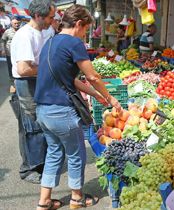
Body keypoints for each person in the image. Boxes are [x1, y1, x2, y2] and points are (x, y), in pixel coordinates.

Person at [34, 4, 122, 209]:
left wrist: (96, 95)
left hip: (43, 110)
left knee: (54, 152)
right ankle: (76, 198)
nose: (85, 35)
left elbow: (69, 79)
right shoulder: (74, 43)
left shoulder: (50, 42)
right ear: (79, 24)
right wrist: (111, 99)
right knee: (76, 154)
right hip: (61, 111)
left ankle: (44, 201)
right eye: (85, 30)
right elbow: (92, 76)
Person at [10, 0, 55, 184]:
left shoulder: (48, 30)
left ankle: (42, 163)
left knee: (43, 122)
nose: (53, 21)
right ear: (37, 16)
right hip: (27, 83)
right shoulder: (24, 36)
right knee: (30, 126)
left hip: (41, 80)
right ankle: (28, 169)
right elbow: (23, 69)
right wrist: (48, 67)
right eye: (50, 17)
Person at [2, 17, 20, 93]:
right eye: (15, 23)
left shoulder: (21, 31)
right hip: (10, 53)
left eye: (17, 23)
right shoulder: (7, 32)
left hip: (19, 53)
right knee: (10, 67)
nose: (17, 25)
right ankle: (12, 83)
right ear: (11, 24)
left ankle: (18, 81)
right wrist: (3, 49)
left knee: (18, 67)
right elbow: (2, 40)